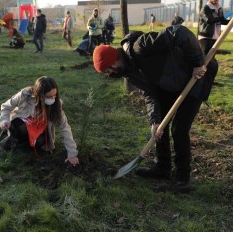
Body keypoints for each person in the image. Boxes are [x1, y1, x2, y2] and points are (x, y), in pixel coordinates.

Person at [92, 25, 217, 193]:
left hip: (195, 77)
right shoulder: (128, 70)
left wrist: (197, 63)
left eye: (107, 69)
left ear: (114, 61)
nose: (109, 74)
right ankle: (162, 168)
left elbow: (179, 32)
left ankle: (182, 180)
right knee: (160, 127)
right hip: (171, 84)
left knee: (179, 129)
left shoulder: (141, 46)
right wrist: (155, 121)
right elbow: (150, 92)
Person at [0, 76, 79, 166]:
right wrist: (4, 120)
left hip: (40, 132)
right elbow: (5, 107)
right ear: (39, 94)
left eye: (54, 96)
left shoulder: (56, 105)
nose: (52, 99)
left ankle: (30, 145)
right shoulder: (24, 95)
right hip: (22, 125)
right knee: (20, 127)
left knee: (40, 143)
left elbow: (65, 128)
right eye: (48, 96)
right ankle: (17, 141)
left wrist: (72, 154)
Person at [198, 0, 231, 80]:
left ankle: (208, 78)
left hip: (215, 37)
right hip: (205, 37)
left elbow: (222, 21)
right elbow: (209, 20)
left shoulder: (219, 8)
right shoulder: (205, 8)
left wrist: (231, 20)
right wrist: (221, 18)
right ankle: (199, 77)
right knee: (204, 58)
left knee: (211, 59)